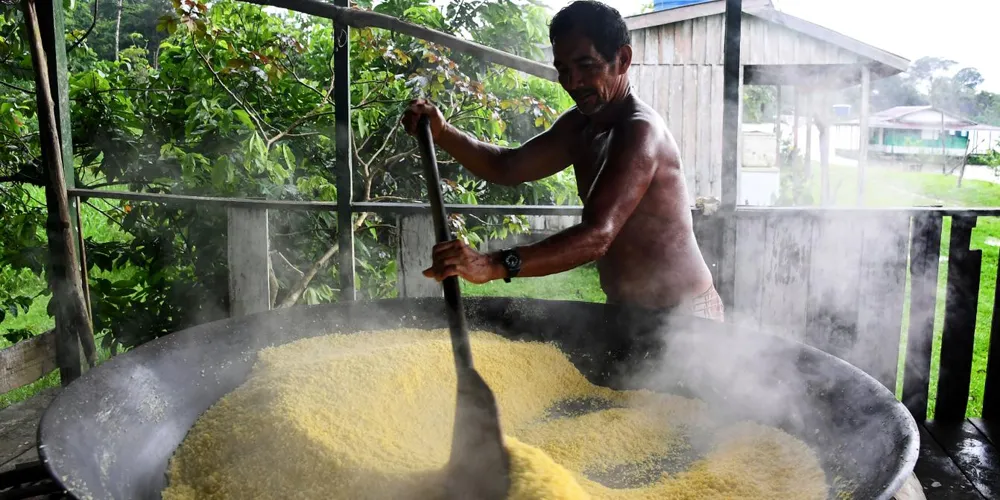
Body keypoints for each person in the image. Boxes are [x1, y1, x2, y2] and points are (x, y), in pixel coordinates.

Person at [401, 0, 723, 321]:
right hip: (626, 312)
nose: (573, 82)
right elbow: (508, 166)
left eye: (587, 65)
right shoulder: (579, 125)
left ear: (622, 59)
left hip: (685, 318)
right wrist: (443, 133)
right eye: (564, 70)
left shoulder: (640, 132)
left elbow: (597, 235)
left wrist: (491, 265)